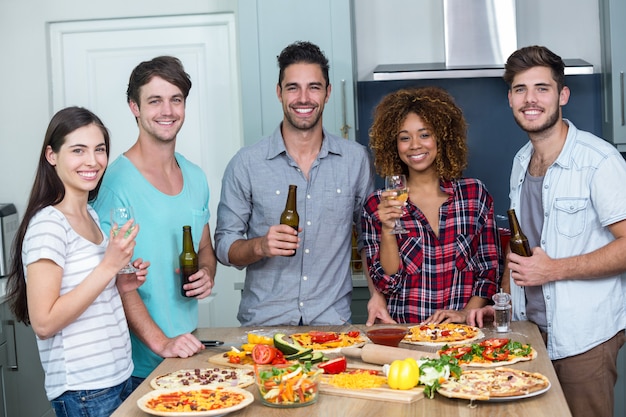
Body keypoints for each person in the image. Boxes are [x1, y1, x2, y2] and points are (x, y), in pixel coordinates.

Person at [467, 45, 626, 417]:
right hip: (529, 335)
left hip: (583, 340)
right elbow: (521, 250)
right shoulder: (522, 161)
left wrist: (553, 269)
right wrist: (500, 303)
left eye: (542, 88)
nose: (531, 99)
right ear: (510, 99)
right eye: (521, 89)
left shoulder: (598, 162)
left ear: (562, 95)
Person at [214, 41, 374, 326]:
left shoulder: (356, 160)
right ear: (279, 93)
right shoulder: (246, 163)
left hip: (332, 325)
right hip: (263, 325)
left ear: (327, 93)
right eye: (293, 88)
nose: (303, 98)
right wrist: (260, 246)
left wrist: (377, 296)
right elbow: (225, 246)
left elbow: (369, 239)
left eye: (314, 87)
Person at [5, 106, 148, 416]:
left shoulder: (92, 215)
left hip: (119, 376)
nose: (92, 161)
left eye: (100, 150)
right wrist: (108, 266)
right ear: (51, 155)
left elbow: (91, 292)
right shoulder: (48, 225)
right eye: (78, 150)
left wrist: (121, 279)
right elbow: (44, 322)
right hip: (85, 391)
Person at [93, 56, 217, 388]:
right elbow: (114, 278)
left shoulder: (195, 176)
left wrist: (206, 273)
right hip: (138, 367)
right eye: (155, 100)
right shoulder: (114, 184)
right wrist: (161, 343)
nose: (167, 110)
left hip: (187, 350)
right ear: (134, 106)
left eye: (176, 99)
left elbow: (205, 248)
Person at [362, 86, 500, 325]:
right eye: (404, 138)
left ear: (442, 138)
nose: (415, 145)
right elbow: (387, 282)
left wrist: (466, 313)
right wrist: (387, 228)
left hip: (464, 336)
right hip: (406, 337)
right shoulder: (378, 204)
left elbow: (489, 270)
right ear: (394, 145)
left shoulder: (474, 195)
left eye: (424, 134)